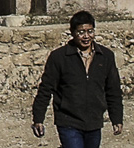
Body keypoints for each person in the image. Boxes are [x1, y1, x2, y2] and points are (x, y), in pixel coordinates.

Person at [31, 11, 124, 148]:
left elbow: (113, 90)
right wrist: (38, 119)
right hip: (68, 121)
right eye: (81, 32)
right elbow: (46, 89)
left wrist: (116, 118)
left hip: (94, 121)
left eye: (90, 31)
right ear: (72, 33)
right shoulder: (59, 57)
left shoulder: (105, 56)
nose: (86, 36)